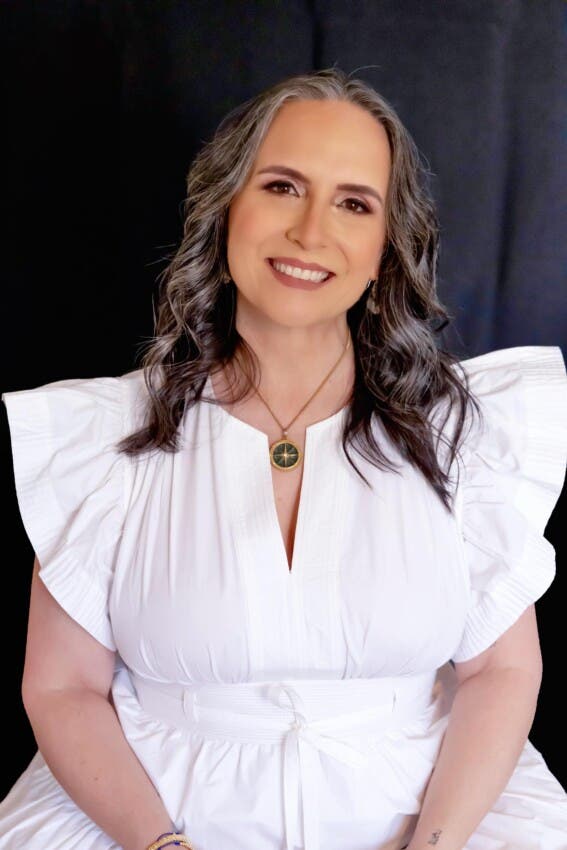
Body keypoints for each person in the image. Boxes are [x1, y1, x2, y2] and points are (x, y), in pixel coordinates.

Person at [1, 66, 566, 850]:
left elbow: (500, 673)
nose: (309, 231)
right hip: (149, 825)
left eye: (353, 203)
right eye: (280, 187)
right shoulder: (105, 438)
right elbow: (62, 687)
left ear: (382, 252)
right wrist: (162, 846)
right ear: (224, 208)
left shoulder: (460, 434)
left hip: (437, 823)